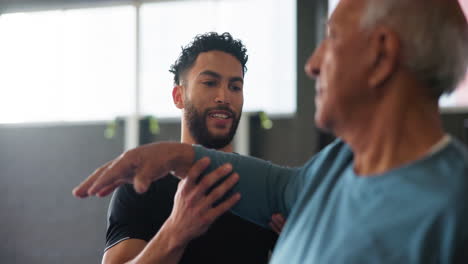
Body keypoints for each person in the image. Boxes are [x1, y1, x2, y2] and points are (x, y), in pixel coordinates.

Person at [74, 0, 468, 263]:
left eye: (331, 39)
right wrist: (177, 181)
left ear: (381, 56)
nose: (312, 64)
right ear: (180, 95)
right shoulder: (335, 166)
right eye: (210, 83)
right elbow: (282, 187)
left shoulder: (451, 207)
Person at [101, 32, 281, 264]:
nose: (224, 96)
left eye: (235, 87)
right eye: (210, 83)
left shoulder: (261, 188)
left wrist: (300, 246)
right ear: (179, 96)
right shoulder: (142, 187)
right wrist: (176, 232)